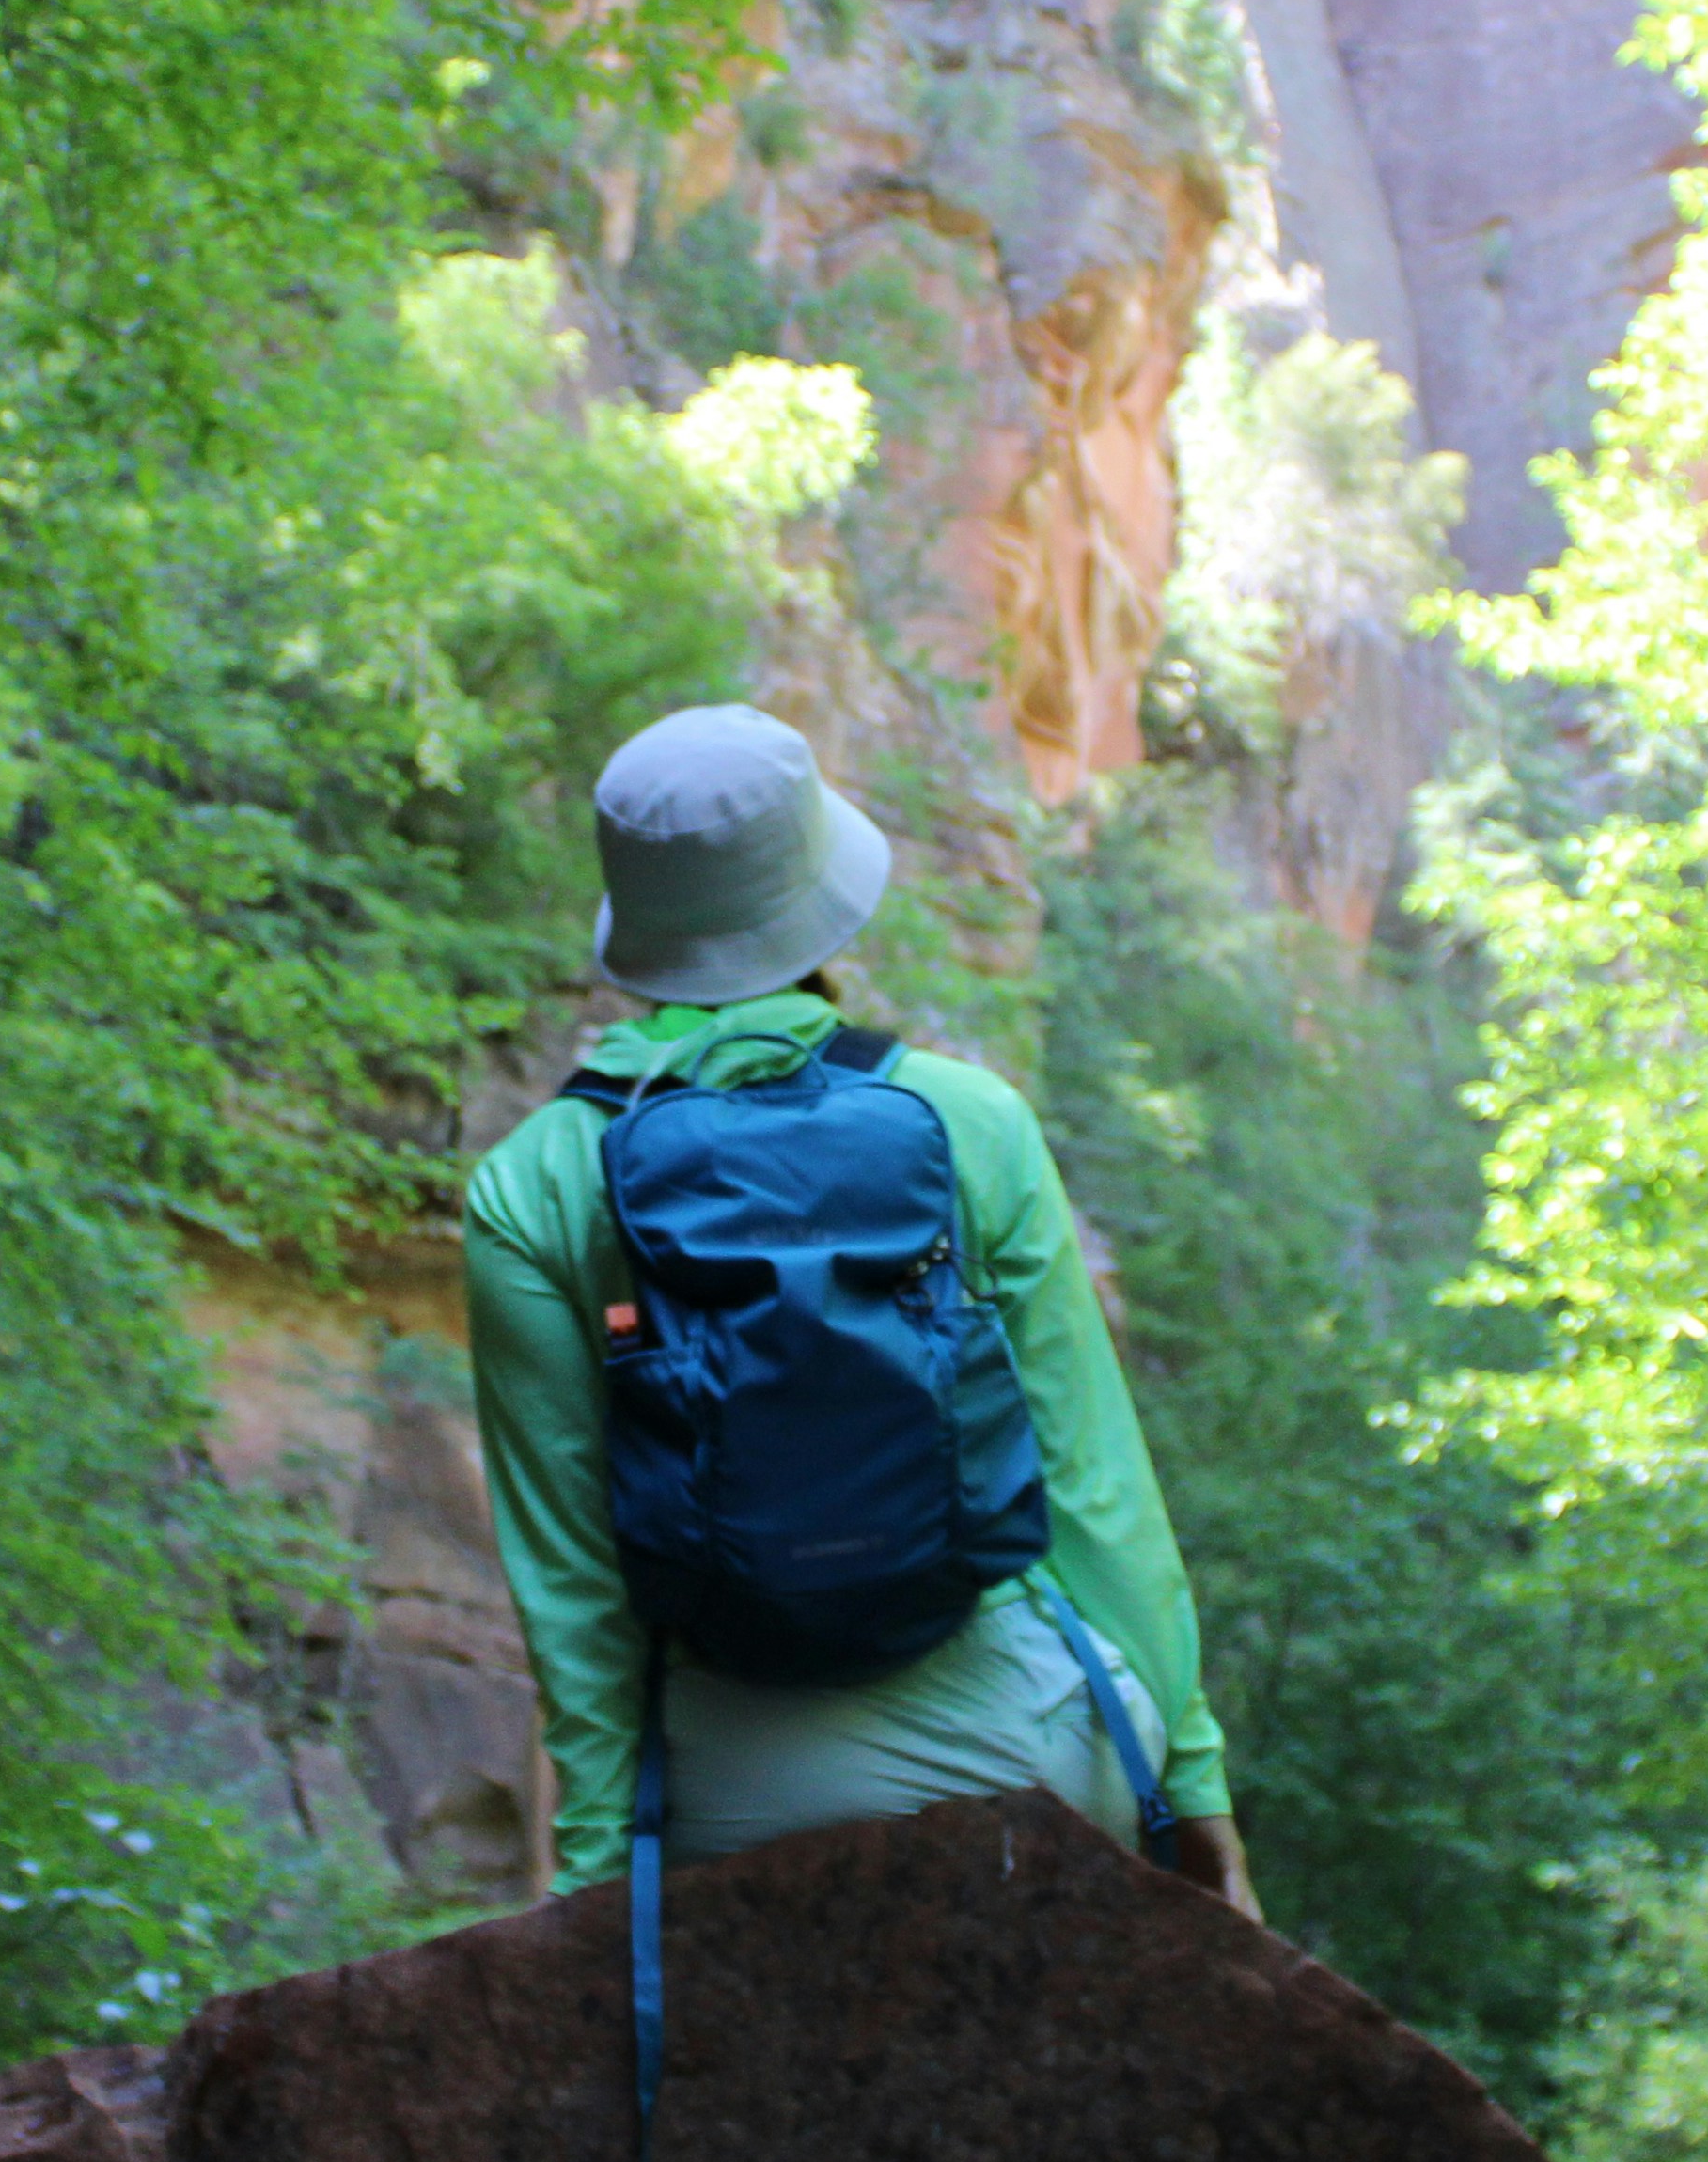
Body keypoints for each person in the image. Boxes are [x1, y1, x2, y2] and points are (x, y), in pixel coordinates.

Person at [462, 700, 1255, 1915]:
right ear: (820, 890)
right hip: (1038, 1759)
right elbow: (1100, 1497)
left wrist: (596, 1896)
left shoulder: (535, 1185)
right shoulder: (965, 1120)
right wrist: (1194, 1796)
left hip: (739, 1800)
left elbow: (578, 1594)